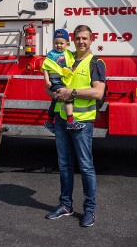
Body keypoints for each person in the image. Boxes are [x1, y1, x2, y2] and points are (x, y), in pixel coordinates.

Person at [44, 25, 106, 228]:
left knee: (86, 168)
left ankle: (89, 210)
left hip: (83, 123)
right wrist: (55, 93)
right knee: (64, 166)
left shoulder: (96, 63)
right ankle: (65, 205)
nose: (81, 42)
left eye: (85, 38)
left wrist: (72, 93)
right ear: (73, 40)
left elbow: (98, 93)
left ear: (91, 39)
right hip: (63, 119)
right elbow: (51, 85)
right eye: (78, 38)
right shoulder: (65, 57)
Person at [41, 29, 85, 132]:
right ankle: (70, 121)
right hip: (55, 82)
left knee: (54, 101)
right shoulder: (51, 55)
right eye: (56, 43)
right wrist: (47, 81)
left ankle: (49, 121)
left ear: (67, 44)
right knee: (68, 97)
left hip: (63, 81)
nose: (59, 45)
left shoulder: (68, 54)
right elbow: (45, 68)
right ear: (53, 43)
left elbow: (72, 61)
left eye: (61, 43)